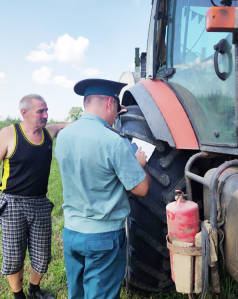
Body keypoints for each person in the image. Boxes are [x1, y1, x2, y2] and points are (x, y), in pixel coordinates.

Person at [55, 79, 150, 299]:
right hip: (103, 238)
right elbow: (141, 189)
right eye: (116, 109)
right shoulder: (114, 141)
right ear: (110, 103)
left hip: (71, 232)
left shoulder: (64, 136)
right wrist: (139, 165)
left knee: (77, 293)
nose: (116, 114)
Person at [0, 94, 68, 299]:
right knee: (13, 255)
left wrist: (112, 113)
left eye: (46, 110)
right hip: (13, 203)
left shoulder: (48, 132)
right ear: (24, 113)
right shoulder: (9, 134)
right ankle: (19, 296)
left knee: (42, 255)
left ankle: (34, 290)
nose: (46, 115)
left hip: (40, 203)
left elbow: (68, 125)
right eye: (40, 111)